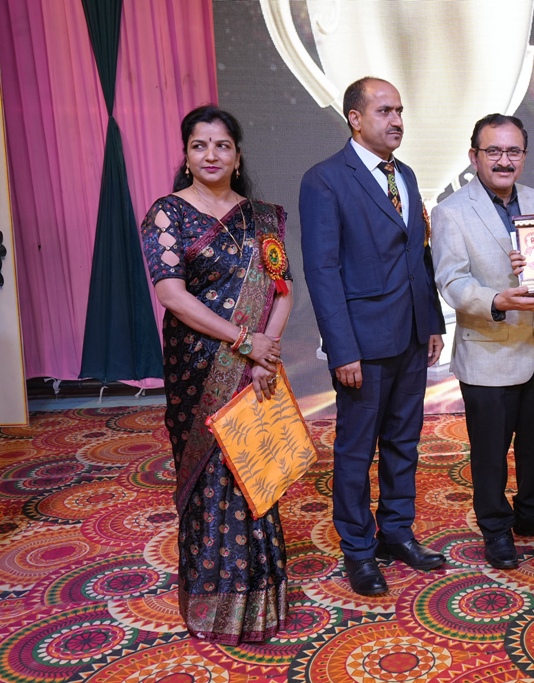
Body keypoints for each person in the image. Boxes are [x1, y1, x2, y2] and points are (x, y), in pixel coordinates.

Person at [141, 105, 292, 643]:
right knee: (210, 477)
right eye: (199, 145)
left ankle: (258, 601)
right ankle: (213, 606)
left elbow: (282, 290)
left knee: (253, 467)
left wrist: (264, 354)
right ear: (186, 156)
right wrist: (244, 341)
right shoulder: (169, 213)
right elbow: (172, 295)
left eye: (222, 145)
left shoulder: (262, 217)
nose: (211, 154)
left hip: (254, 365)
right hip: (197, 367)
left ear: (237, 156)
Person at [300, 77, 446, 597]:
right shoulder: (325, 180)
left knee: (404, 442)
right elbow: (322, 271)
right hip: (361, 346)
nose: (397, 120)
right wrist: (342, 349)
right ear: (355, 118)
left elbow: (419, 257)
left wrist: (433, 321)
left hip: (411, 336)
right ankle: (359, 550)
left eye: (399, 110)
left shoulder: (405, 174)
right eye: (385, 111)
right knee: (356, 451)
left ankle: (397, 534)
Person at [431, 114, 534, 570]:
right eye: (494, 151)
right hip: (488, 349)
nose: (504, 161)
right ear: (474, 156)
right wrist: (497, 300)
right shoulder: (451, 211)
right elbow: (451, 280)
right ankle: (496, 528)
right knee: (490, 453)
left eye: (513, 152)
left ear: (524, 155)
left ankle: (532, 513)